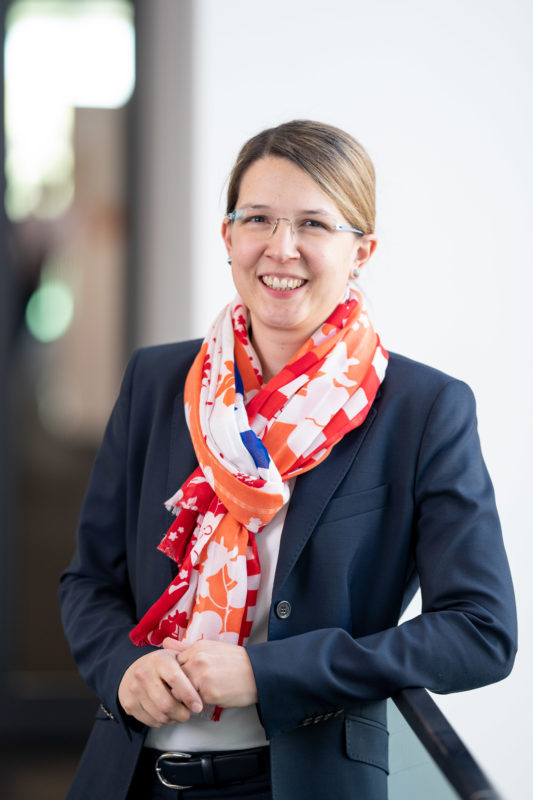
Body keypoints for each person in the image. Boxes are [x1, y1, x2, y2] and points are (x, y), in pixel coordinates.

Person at [59, 120, 517, 800]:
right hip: (131, 777)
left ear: (361, 250)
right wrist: (121, 667)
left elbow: (479, 631)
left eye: (312, 224)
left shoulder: (422, 410)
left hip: (303, 781)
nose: (281, 248)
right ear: (227, 236)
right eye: (259, 219)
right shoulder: (156, 383)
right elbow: (90, 583)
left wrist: (266, 672)